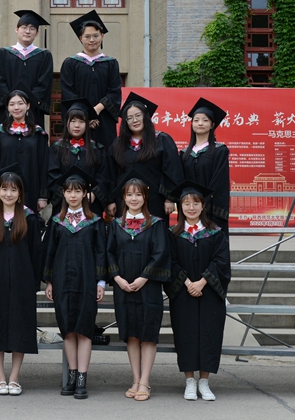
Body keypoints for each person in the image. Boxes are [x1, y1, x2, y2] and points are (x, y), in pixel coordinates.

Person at [106, 174, 171, 401]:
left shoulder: (156, 224)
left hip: (148, 287)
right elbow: (109, 253)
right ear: (123, 198)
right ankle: (135, 379)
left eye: (138, 194)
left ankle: (145, 381)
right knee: (131, 334)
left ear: (145, 197)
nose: (134, 198)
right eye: (129, 194)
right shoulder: (116, 225)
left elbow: (160, 254)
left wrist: (144, 278)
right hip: (123, 287)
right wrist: (117, 278)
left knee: (148, 335)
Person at [43, 166, 106, 399]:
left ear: (85, 194)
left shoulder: (94, 222)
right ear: (63, 193)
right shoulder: (57, 222)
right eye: (69, 191)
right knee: (68, 329)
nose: (73, 195)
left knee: (84, 330)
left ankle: (82, 378)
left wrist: (101, 282)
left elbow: (101, 253)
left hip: (87, 282)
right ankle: (71, 375)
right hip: (62, 282)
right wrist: (49, 281)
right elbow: (49, 253)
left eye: (77, 191)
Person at [0, 167, 43, 396]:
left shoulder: (30, 218)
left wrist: (34, 283)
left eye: (13, 190)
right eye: (4, 189)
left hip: (22, 280)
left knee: (20, 326)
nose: (8, 194)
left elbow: (36, 253)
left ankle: (14, 378)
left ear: (20, 193)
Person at [166, 181, 231, 401]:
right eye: (186, 203)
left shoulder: (215, 233)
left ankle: (204, 381)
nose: (191, 207)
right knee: (186, 334)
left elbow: (221, 262)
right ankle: (189, 381)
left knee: (209, 334)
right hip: (183, 293)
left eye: (195, 203)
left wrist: (202, 282)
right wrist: (187, 283)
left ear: (203, 206)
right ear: (180, 207)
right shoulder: (173, 234)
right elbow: (170, 262)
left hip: (209, 293)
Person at [110, 92, 183, 218]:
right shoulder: (118, 144)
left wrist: (170, 198)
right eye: (130, 117)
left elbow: (173, 171)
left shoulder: (161, 140)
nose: (135, 120)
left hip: (155, 201)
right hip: (125, 202)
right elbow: (111, 173)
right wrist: (110, 200)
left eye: (138, 115)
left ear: (146, 116)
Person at [60, 10, 122, 149]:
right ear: (80, 38)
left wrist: (96, 110)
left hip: (104, 119)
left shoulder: (111, 63)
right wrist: (85, 115)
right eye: (87, 36)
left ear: (102, 36)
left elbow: (114, 91)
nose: (92, 40)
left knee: (106, 154)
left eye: (95, 35)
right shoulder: (70, 63)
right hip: (78, 120)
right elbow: (68, 92)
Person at [0, 84, 49, 213]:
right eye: (12, 104)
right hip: (5, 190)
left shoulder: (38, 133)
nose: (16, 108)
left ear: (28, 106)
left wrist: (42, 196)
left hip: (31, 187)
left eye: (20, 103)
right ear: (7, 107)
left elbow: (43, 165)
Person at [47, 97, 112, 218]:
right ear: (66, 123)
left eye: (81, 121)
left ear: (87, 124)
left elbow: (103, 176)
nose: (77, 125)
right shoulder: (57, 148)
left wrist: (93, 193)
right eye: (73, 121)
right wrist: (68, 194)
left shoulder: (97, 149)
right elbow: (52, 175)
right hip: (64, 204)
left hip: (91, 204)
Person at [0, 10, 53, 128]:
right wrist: (12, 103)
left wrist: (27, 103)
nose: (27, 31)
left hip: (33, 110)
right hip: (7, 110)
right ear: (16, 29)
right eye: (24, 27)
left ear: (37, 33)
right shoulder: (3, 54)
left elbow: (44, 83)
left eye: (32, 28)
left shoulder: (44, 56)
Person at [180, 98, 230, 234]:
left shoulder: (220, 151)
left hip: (211, 209)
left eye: (205, 120)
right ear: (192, 124)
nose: (200, 123)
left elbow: (219, 182)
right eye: (196, 120)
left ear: (212, 125)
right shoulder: (184, 154)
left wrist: (203, 204)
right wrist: (190, 204)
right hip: (190, 209)